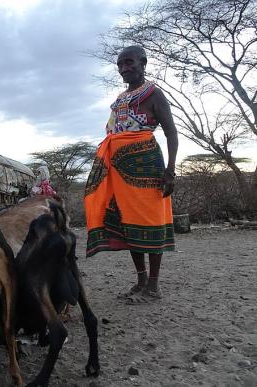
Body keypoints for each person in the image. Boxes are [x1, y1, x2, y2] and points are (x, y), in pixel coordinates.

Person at [84, 46, 178, 303]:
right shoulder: (119, 99)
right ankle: (141, 281)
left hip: (148, 165)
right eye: (120, 65)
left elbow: (171, 132)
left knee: (152, 222)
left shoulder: (154, 94)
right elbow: (112, 132)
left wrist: (170, 171)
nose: (124, 68)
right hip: (120, 170)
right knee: (129, 223)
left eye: (129, 63)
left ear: (143, 63)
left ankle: (154, 287)